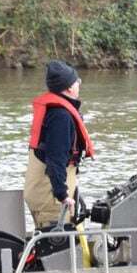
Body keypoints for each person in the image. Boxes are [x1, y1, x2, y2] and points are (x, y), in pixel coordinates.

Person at [24, 60, 95, 230]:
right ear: (69, 88)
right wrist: (63, 195)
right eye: (77, 81)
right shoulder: (60, 117)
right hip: (50, 199)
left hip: (44, 191)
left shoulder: (56, 112)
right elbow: (56, 159)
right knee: (57, 247)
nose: (79, 84)